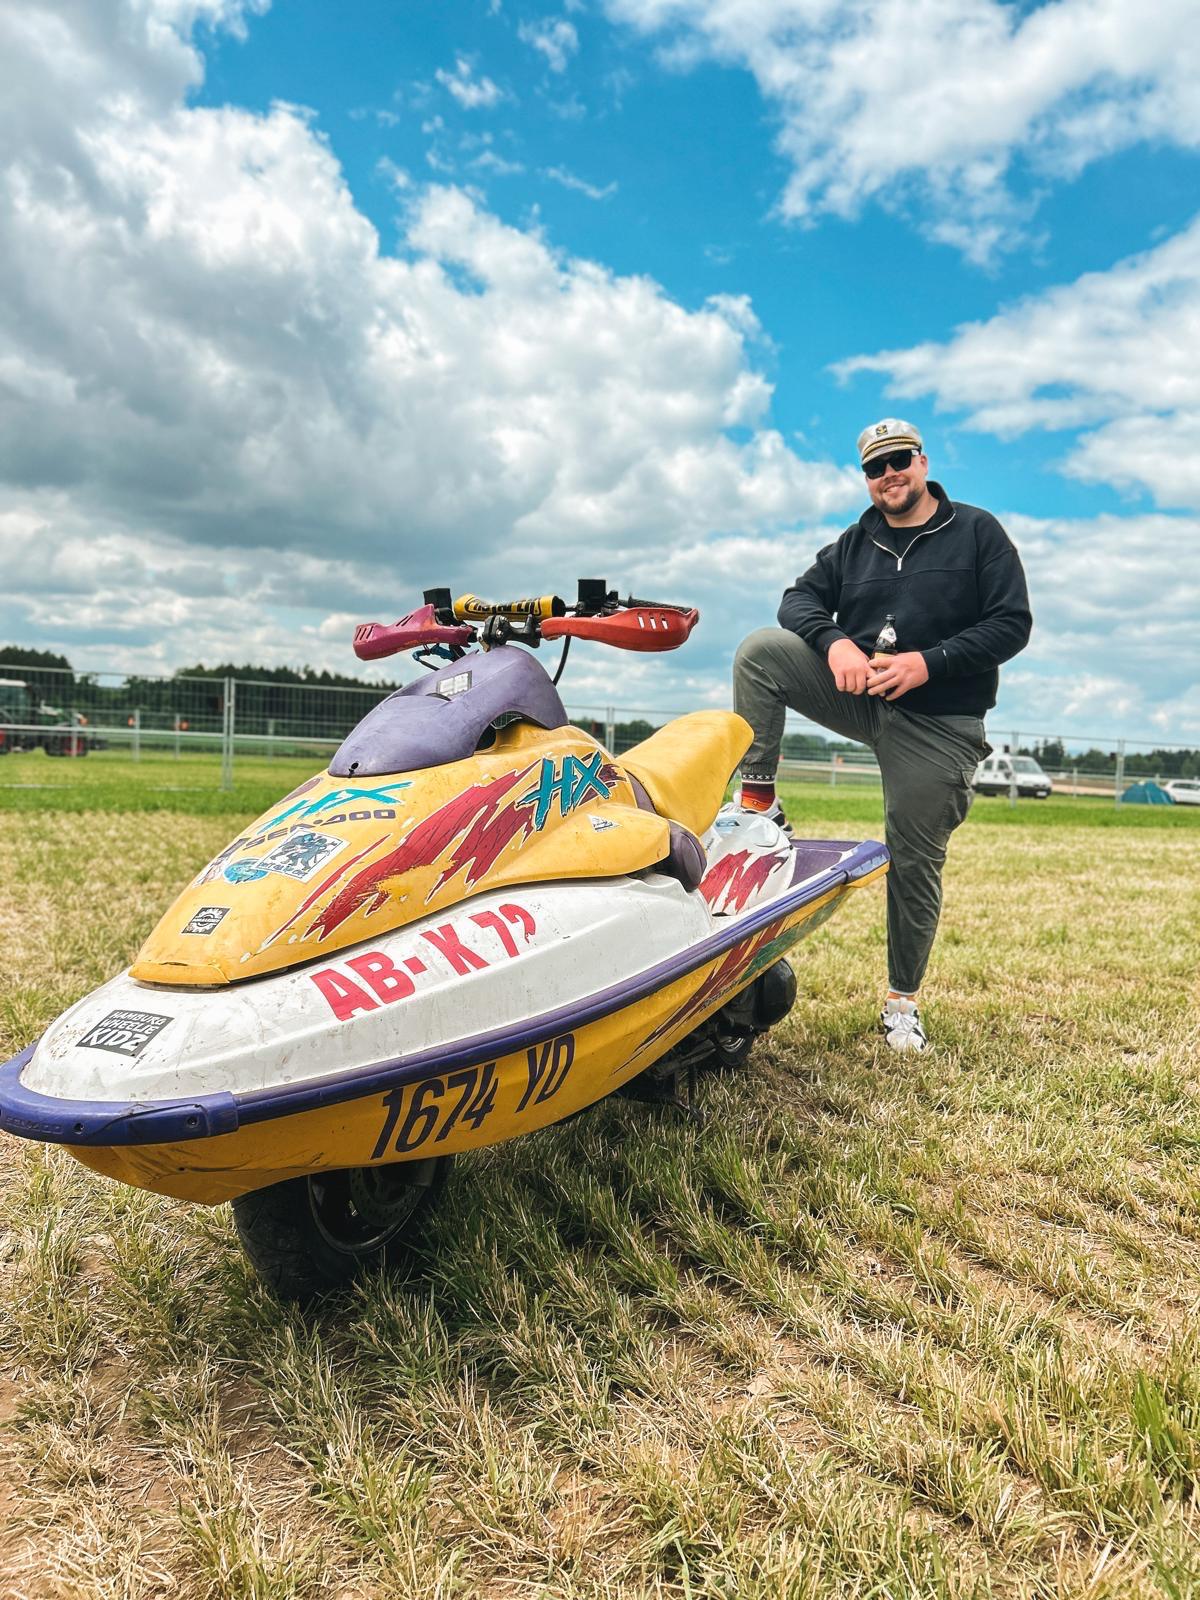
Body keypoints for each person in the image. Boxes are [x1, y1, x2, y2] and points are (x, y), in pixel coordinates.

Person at [732, 419, 1032, 1052]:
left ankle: (901, 1002)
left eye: (899, 460)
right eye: (875, 467)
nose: (889, 473)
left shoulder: (977, 532)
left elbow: (1011, 624)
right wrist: (835, 640)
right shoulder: (856, 541)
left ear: (922, 462)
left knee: (915, 857)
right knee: (761, 650)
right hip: (863, 699)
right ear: (866, 479)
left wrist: (930, 661)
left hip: (939, 720)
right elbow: (797, 600)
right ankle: (757, 803)